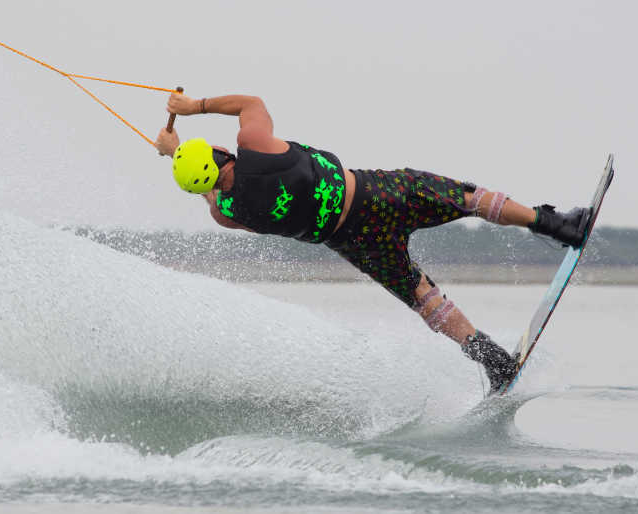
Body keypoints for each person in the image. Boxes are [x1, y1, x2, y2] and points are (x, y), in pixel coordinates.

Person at [155, 93, 590, 393]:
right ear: (218, 154)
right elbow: (251, 104)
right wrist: (194, 108)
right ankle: (553, 225)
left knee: (423, 297)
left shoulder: (225, 213)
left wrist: (173, 154)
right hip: (373, 195)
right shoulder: (253, 146)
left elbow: (214, 194)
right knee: (468, 199)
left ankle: (492, 361)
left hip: (352, 241)